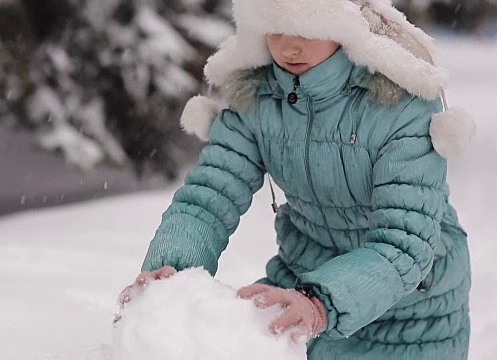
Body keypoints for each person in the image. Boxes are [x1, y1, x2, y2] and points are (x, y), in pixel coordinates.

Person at [118, 0, 475, 358]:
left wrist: (320, 303)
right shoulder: (256, 98)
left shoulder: (399, 105)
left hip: (412, 312)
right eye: (276, 29)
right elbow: (209, 197)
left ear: (342, 26)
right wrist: (171, 275)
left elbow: (405, 243)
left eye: (307, 29)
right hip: (300, 284)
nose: (289, 47)